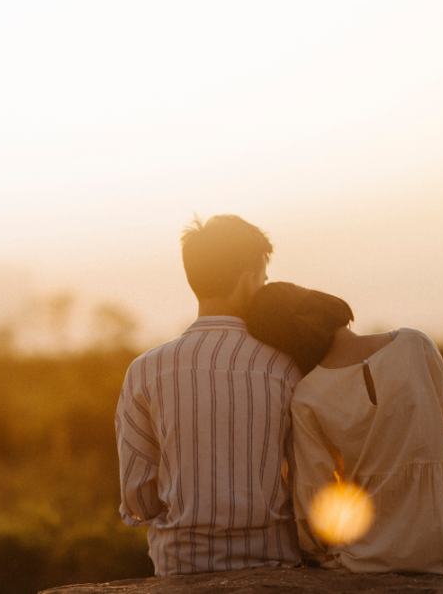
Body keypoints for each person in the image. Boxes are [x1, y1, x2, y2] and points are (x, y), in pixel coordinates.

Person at [244, 282, 443, 578]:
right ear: (322, 302)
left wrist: (317, 552)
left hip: (365, 560)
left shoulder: (306, 397)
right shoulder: (416, 345)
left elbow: (317, 496)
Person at [115, 216, 303, 577]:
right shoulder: (285, 366)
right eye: (263, 279)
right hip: (273, 562)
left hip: (182, 564)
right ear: (250, 280)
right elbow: (306, 479)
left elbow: (137, 498)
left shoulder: (145, 369)